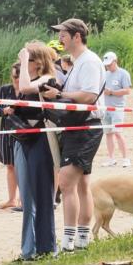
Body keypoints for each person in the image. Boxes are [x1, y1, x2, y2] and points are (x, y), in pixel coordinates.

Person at [42, 18, 106, 252]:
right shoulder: (78, 61)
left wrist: (58, 95)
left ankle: (69, 240)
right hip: (79, 126)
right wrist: (59, 91)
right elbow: (77, 93)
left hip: (86, 127)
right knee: (82, 185)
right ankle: (81, 237)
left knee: (66, 182)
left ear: (77, 36)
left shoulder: (88, 61)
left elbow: (89, 96)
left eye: (63, 34)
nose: (60, 38)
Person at [14, 42, 60, 259]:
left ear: (39, 62)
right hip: (26, 140)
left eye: (29, 60)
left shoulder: (46, 78)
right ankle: (32, 248)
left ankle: (47, 247)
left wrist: (24, 61)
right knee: (28, 196)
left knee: (43, 194)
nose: (24, 63)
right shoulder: (31, 79)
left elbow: (24, 88)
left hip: (42, 140)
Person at [0, 64, 21, 210]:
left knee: (23, 166)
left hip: (23, 132)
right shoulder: (5, 89)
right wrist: (5, 110)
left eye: (18, 76)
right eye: (14, 76)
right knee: (10, 165)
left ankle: (23, 199)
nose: (16, 80)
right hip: (6, 131)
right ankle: (12, 199)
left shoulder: (28, 90)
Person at [101, 52, 132, 168]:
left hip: (118, 108)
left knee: (118, 132)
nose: (108, 67)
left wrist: (112, 92)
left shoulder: (123, 74)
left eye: (110, 64)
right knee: (108, 134)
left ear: (115, 61)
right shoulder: (105, 74)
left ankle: (125, 159)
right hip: (106, 107)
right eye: (106, 65)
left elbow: (127, 90)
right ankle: (111, 159)